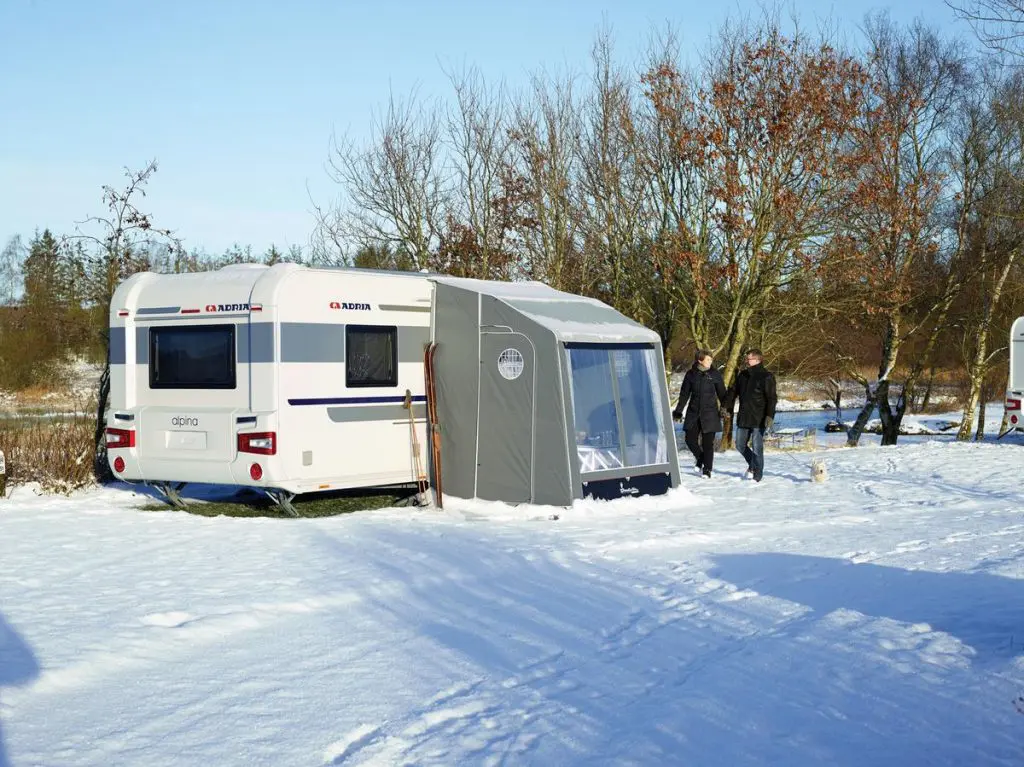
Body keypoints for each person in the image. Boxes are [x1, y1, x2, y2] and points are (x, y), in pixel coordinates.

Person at [672, 349, 728, 478]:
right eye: (708, 359)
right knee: (690, 439)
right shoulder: (691, 374)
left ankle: (707, 470)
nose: (711, 361)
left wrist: (724, 408)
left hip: (710, 414)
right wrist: (679, 411)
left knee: (708, 444)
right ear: (700, 360)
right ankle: (701, 458)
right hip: (693, 413)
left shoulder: (715, 374)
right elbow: (684, 394)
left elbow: (723, 394)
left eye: (711, 359)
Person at [728, 348, 778, 482]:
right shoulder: (742, 375)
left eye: (749, 359)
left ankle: (757, 474)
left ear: (757, 360)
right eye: (747, 359)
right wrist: (726, 406)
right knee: (739, 445)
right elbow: (733, 392)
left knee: (757, 447)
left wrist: (769, 416)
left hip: (759, 418)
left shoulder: (767, 376)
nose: (746, 361)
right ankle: (753, 464)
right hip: (744, 417)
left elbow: (772, 398)